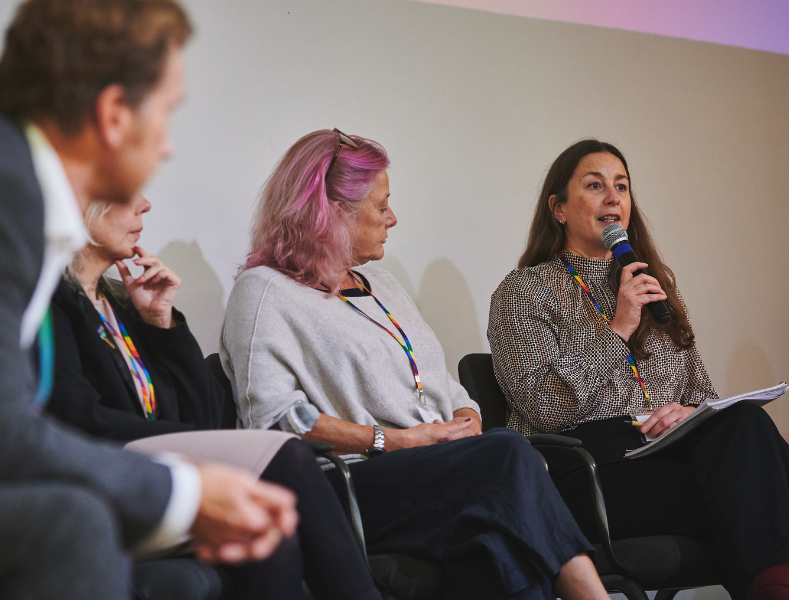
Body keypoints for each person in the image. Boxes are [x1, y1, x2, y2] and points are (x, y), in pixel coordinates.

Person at [221, 128, 612, 600]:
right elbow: (273, 418)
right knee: (509, 452)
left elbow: (446, 387)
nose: (393, 218)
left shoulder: (382, 286)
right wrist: (397, 441)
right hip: (350, 485)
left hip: (436, 471)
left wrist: (466, 419)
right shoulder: (266, 292)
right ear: (331, 214)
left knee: (498, 546)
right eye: (380, 206)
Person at [0, 1, 296, 598]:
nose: (166, 149)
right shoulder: (12, 195)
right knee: (72, 525)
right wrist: (182, 494)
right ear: (113, 114)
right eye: (167, 114)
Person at [487, 139, 789, 600]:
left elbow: (704, 394)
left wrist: (686, 413)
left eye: (622, 186)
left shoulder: (651, 285)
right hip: (585, 469)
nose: (613, 197)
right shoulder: (522, 291)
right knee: (768, 488)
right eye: (595, 185)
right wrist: (615, 330)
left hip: (670, 454)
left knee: (746, 427)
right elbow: (543, 408)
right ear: (558, 208)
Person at [46, 192, 382, 600]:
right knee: (285, 454)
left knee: (266, 526)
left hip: (153, 475)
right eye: (127, 191)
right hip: (97, 481)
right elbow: (78, 417)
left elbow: (203, 419)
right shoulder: (42, 302)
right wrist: (201, 462)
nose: (147, 204)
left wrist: (161, 324)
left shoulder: (120, 302)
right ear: (77, 202)